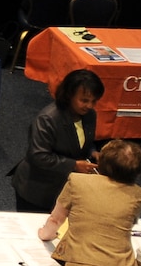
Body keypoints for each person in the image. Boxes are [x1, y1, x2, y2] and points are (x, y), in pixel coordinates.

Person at [11, 68, 103, 212]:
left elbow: (83, 141)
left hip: (64, 188)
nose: (90, 106)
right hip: (36, 189)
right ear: (69, 95)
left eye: (94, 101)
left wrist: (93, 152)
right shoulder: (48, 118)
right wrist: (74, 165)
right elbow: (38, 156)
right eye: (84, 100)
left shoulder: (90, 115)